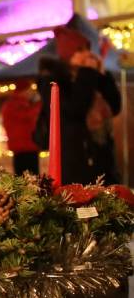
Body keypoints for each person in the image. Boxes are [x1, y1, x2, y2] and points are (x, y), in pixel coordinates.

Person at [35, 26, 122, 185]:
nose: (87, 53)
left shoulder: (90, 75)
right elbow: (76, 108)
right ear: (68, 54)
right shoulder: (53, 81)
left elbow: (115, 107)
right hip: (75, 162)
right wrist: (88, 73)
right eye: (80, 50)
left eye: (88, 48)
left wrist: (103, 76)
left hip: (101, 155)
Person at [1, 86, 42, 175]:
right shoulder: (21, 105)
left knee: (20, 178)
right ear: (24, 92)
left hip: (18, 148)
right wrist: (38, 103)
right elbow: (30, 115)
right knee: (33, 178)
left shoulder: (9, 104)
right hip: (28, 146)